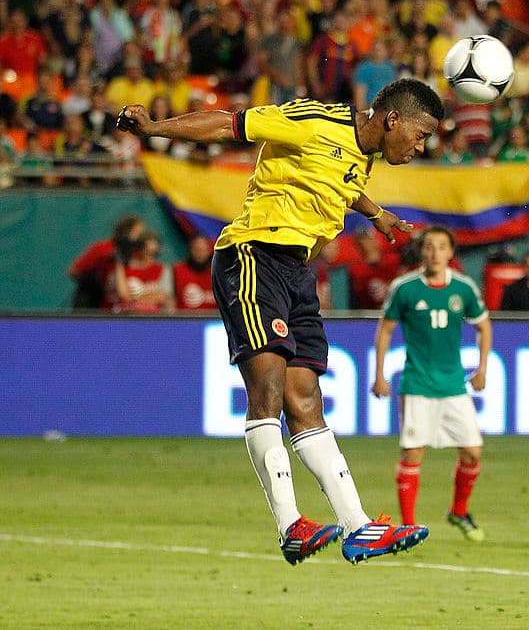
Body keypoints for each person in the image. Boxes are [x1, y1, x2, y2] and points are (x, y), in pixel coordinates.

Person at [116, 78, 445, 565]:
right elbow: (231, 124)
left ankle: (359, 528)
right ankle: (291, 525)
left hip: (297, 271)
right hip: (254, 254)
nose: (421, 147)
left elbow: (341, 184)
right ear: (393, 119)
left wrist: (377, 215)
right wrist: (156, 129)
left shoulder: (361, 156)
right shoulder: (314, 120)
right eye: (419, 136)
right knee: (267, 390)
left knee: (305, 399)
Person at [372, 225, 492, 542]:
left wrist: (481, 368)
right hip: (417, 383)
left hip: (453, 384)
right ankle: (409, 526)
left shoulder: (463, 289)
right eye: (429, 247)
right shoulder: (405, 288)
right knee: (413, 454)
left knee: (472, 453)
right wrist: (380, 374)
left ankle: (458, 511)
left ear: (451, 252)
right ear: (421, 252)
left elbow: (484, 326)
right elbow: (385, 330)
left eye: (442, 247)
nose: (435, 253)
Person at [68, 215, 146, 310]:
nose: (142, 236)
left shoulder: (138, 254)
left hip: (124, 305)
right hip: (94, 304)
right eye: (138, 232)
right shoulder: (103, 249)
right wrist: (93, 282)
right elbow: (73, 271)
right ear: (127, 232)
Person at [173, 233, 217, 311]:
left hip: (213, 320)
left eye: (204, 250)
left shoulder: (218, 274)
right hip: (185, 320)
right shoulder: (176, 270)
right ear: (190, 250)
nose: (200, 254)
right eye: (197, 249)